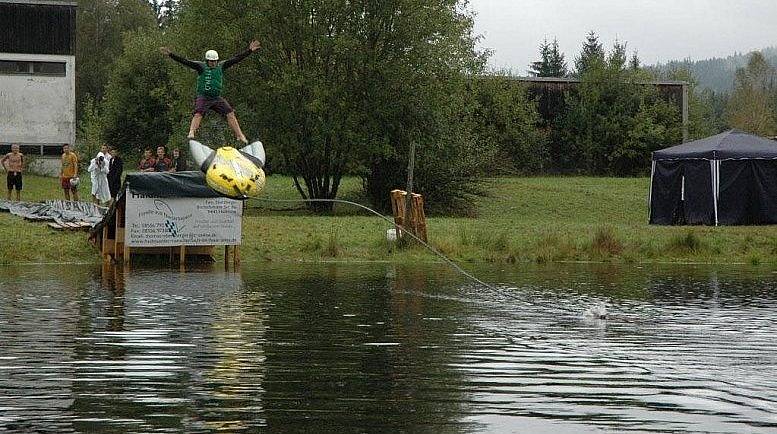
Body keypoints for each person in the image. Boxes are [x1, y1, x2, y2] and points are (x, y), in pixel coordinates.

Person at [160, 40, 260, 144]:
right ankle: (191, 133)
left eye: (215, 61)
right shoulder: (201, 66)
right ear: (207, 61)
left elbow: (236, 59)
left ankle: (240, 135)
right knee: (198, 113)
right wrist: (171, 55)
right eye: (211, 61)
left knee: (230, 113)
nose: (213, 63)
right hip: (204, 97)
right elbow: (185, 61)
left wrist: (249, 51)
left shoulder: (221, 65)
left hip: (216, 98)